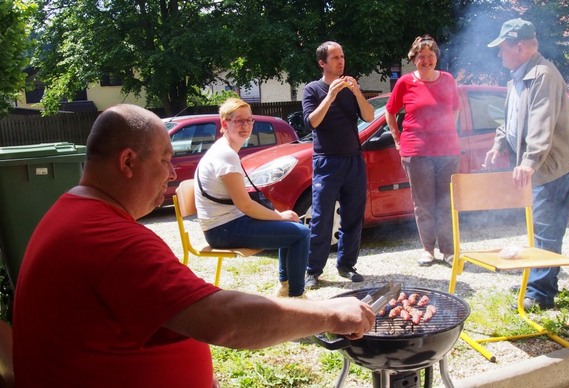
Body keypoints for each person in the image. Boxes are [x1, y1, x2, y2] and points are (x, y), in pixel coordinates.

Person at [12, 104, 376, 387]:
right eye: (166, 160)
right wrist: (330, 313)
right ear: (127, 162)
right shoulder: (111, 240)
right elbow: (225, 320)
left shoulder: (72, 210)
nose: (172, 174)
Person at [483, 18, 569, 311]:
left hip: (552, 167)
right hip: (540, 167)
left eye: (503, 48)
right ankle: (540, 281)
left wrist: (529, 161)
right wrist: (499, 143)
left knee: (546, 229)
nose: (499, 54)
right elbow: (511, 119)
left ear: (521, 46)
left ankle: (541, 294)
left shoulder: (542, 75)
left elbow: (541, 123)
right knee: (537, 226)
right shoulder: (518, 77)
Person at [195, 98, 309, 298]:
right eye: (239, 121)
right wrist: (280, 217)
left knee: (293, 229)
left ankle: (286, 289)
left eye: (249, 120)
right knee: (301, 234)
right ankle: (296, 297)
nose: (246, 126)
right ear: (224, 124)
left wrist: (278, 214)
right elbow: (245, 205)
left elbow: (246, 202)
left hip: (225, 225)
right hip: (223, 230)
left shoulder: (225, 150)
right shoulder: (226, 156)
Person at [301, 41, 375, 289]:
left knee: (353, 216)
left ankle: (347, 265)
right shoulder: (312, 90)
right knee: (321, 218)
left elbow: (368, 116)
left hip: (354, 160)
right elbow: (312, 122)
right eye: (335, 58)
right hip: (326, 161)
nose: (341, 61)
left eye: (342, 56)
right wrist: (331, 94)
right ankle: (313, 270)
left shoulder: (351, 89)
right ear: (322, 63)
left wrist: (356, 92)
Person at [384, 35, 460, 267]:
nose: (426, 60)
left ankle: (448, 250)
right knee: (423, 202)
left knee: (446, 202)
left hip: (447, 151)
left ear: (436, 57)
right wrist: (397, 140)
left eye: (430, 56)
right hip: (416, 151)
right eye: (421, 56)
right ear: (414, 59)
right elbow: (390, 112)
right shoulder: (405, 82)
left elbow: (455, 109)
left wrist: (448, 132)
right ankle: (428, 249)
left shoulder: (448, 80)